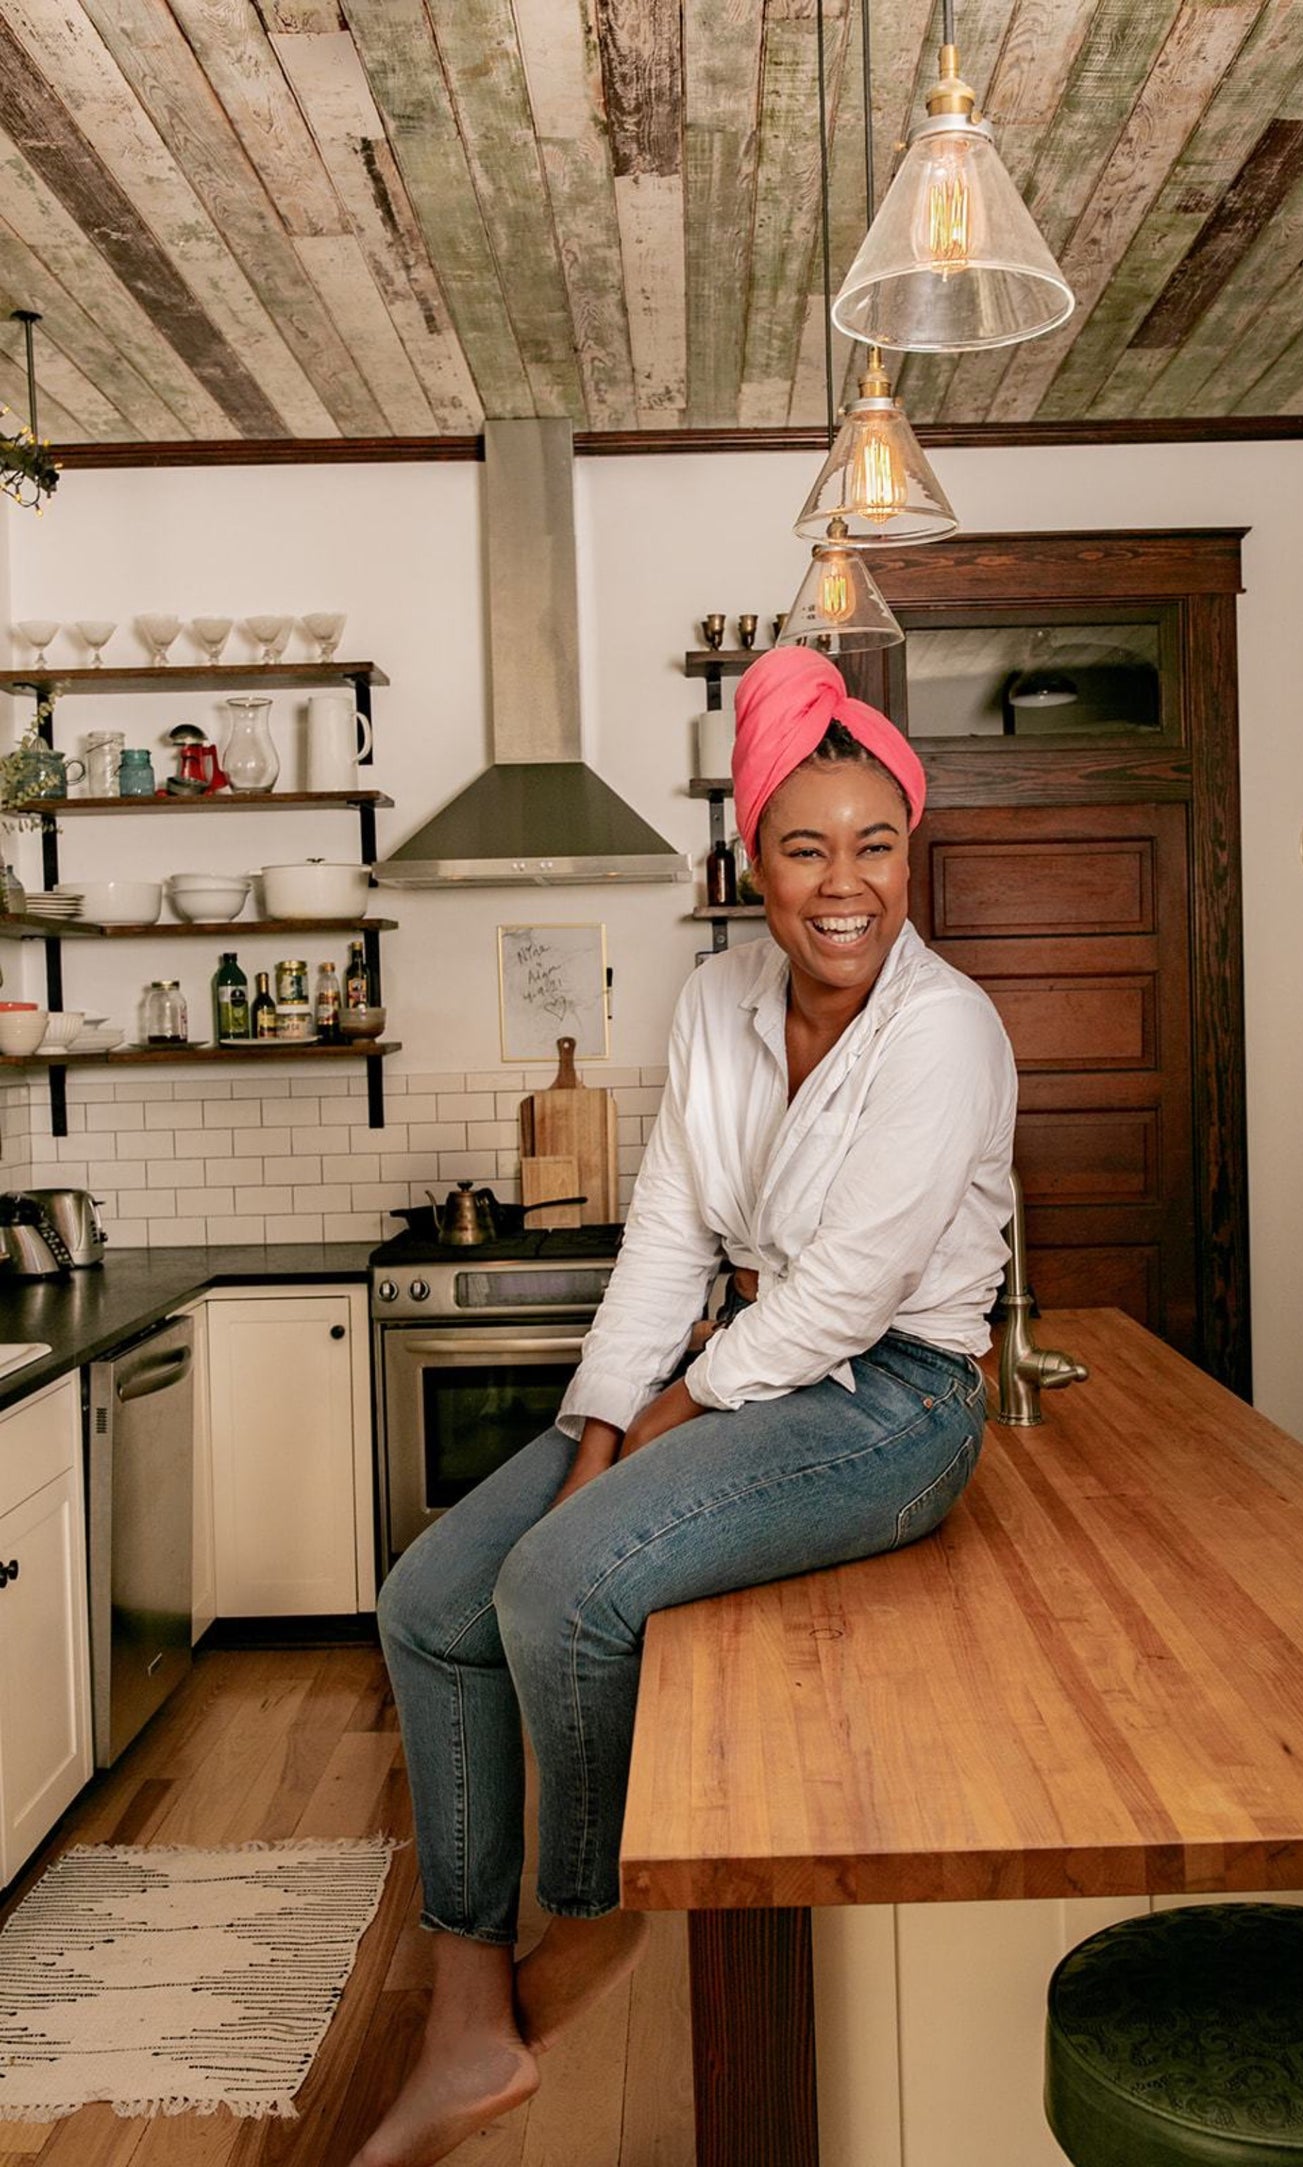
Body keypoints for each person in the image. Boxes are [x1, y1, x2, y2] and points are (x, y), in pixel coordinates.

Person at [349, 645, 1017, 2167]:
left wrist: (651, 1439)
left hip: (892, 1405)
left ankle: (591, 1919)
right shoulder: (718, 999)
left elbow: (845, 1302)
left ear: (908, 856)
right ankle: (468, 2009)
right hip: (737, 1361)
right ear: (752, 865)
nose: (843, 883)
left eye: (875, 846)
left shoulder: (944, 1032)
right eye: (805, 847)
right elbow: (667, 1239)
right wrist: (598, 1428)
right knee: (433, 1596)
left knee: (567, 1581)